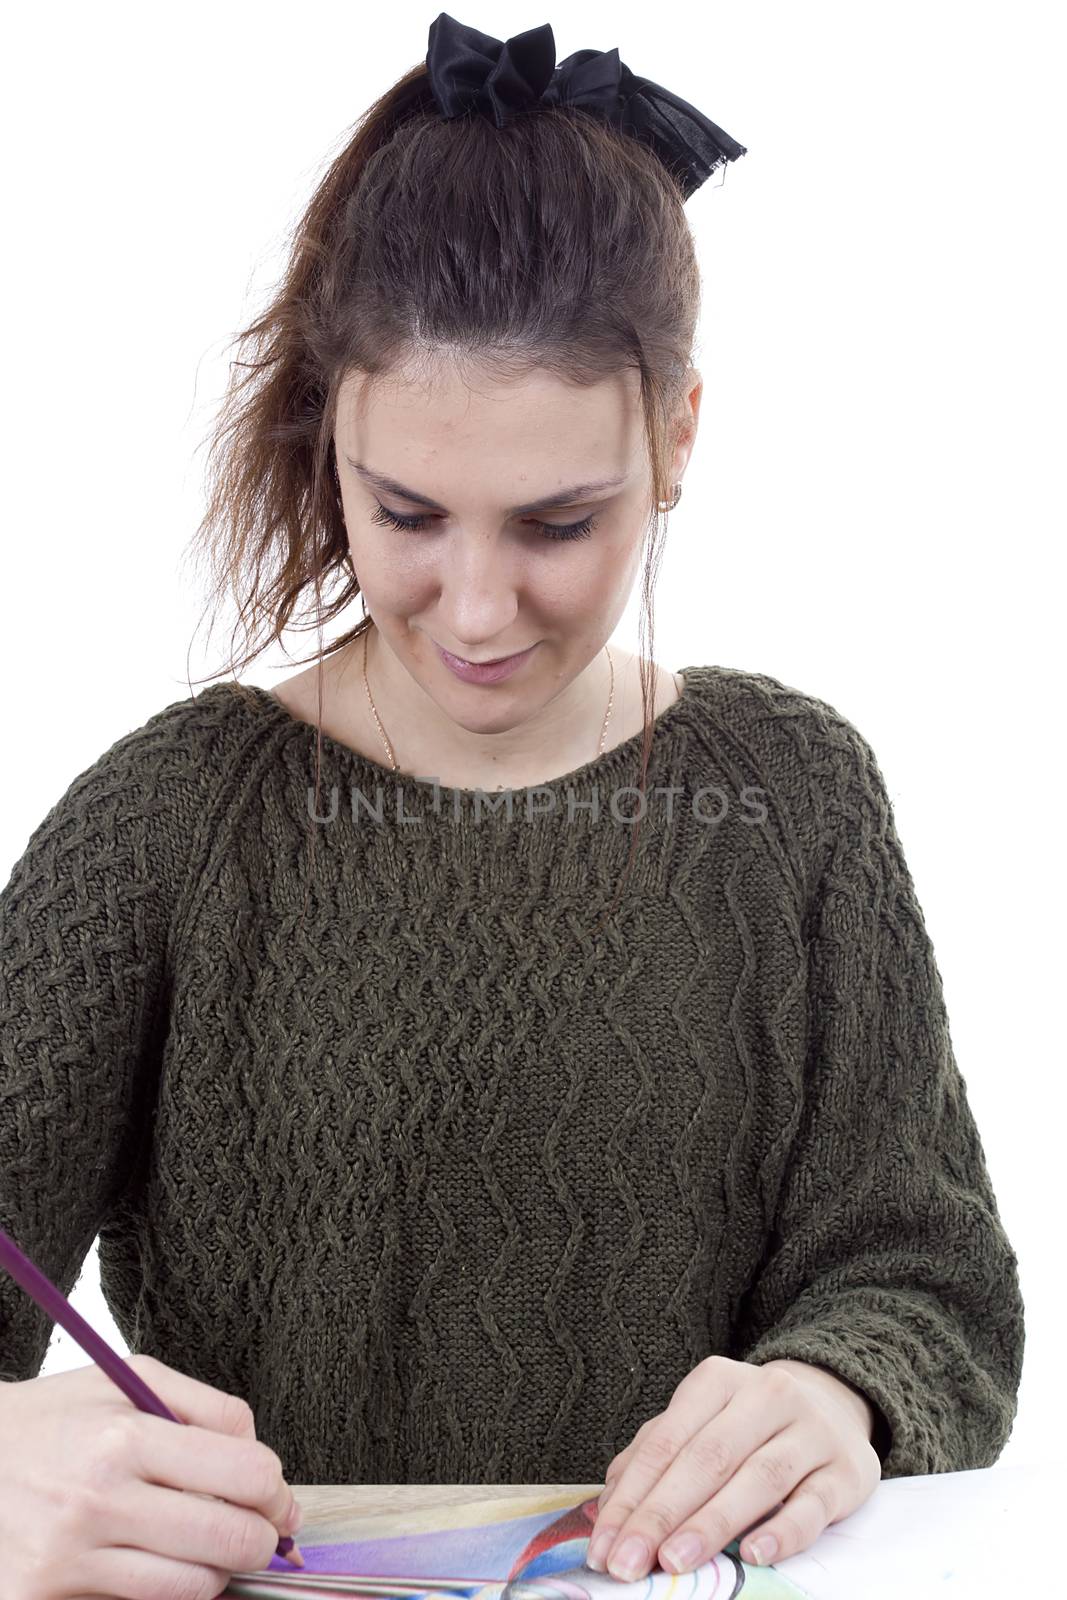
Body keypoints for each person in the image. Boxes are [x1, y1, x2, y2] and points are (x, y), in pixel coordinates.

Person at [0, 11, 1024, 1598]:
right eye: (406, 511)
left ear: (677, 436)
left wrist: (833, 1391)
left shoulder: (796, 799)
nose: (476, 610)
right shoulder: (167, 825)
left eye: (558, 520)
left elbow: (925, 1278)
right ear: (330, 426)